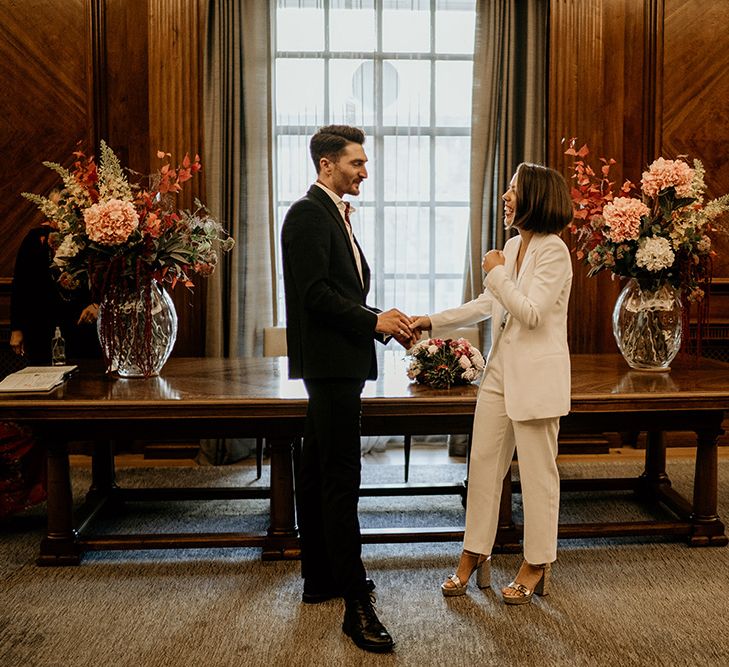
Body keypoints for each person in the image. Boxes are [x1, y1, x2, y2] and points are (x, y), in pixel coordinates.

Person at [410, 162, 573, 605]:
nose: (505, 196)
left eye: (513, 190)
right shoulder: (513, 246)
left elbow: (532, 312)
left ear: (535, 198)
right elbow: (489, 303)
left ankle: (536, 562)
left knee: (539, 476)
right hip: (498, 375)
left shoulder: (554, 251)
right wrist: (429, 321)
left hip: (537, 380)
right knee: (482, 467)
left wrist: (497, 270)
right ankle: (474, 551)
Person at [281, 125, 413, 653]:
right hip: (331, 367)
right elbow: (314, 295)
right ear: (326, 164)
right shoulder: (308, 214)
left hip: (340, 363)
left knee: (316, 473)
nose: (364, 171)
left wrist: (381, 321)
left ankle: (321, 579)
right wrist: (374, 321)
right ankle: (355, 602)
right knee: (342, 478)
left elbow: (337, 291)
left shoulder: (332, 213)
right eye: (356, 162)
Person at [10, 188, 101, 365]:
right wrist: (16, 328)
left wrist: (98, 304)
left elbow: (106, 279)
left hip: (82, 325)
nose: (62, 214)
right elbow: (20, 284)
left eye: (67, 208)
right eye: (57, 207)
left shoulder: (90, 239)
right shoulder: (34, 239)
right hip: (41, 326)